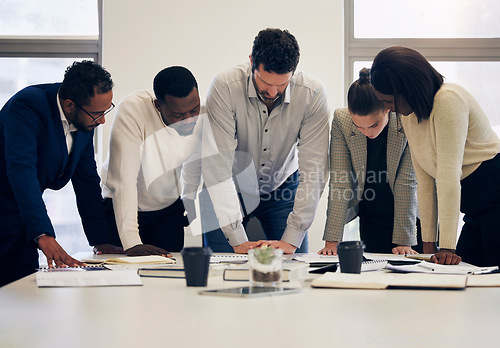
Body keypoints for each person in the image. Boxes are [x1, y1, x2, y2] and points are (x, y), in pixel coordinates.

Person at [203, 28, 330, 254]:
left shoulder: (312, 94)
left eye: (282, 84)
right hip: (230, 183)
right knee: (219, 265)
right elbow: (218, 166)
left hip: (283, 185)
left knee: (295, 266)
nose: (272, 92)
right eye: (264, 81)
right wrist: (236, 238)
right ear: (252, 62)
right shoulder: (225, 88)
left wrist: (293, 236)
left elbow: (315, 168)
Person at [371, 46, 500, 266]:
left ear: (406, 89)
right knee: (462, 271)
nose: (388, 109)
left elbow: (448, 176)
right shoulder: (410, 115)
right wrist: (428, 246)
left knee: (488, 279)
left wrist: (447, 247)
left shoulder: (448, 100)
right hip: (473, 205)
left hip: (493, 193)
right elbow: (425, 180)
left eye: (388, 101)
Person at [101, 66, 242, 256]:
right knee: (125, 272)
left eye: (193, 110)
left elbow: (201, 163)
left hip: (167, 209)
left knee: (169, 271)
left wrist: (189, 199)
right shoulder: (133, 110)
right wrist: (131, 241)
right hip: (120, 206)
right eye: (178, 115)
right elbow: (124, 180)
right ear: (158, 106)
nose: (189, 119)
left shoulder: (205, 112)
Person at [0, 60, 116, 287]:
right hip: (10, 210)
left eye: (105, 111)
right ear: (70, 105)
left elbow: (87, 181)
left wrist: (101, 241)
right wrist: (44, 234)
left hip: (23, 224)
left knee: (25, 297)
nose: (102, 120)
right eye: (97, 114)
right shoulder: (27, 107)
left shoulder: (84, 121)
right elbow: (22, 171)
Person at [319, 68, 421, 256]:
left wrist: (404, 242)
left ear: (387, 110)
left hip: (411, 218)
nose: (368, 132)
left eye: (373, 125)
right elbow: (340, 182)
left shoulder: (405, 119)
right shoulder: (342, 120)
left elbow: (407, 183)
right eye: (360, 126)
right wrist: (332, 242)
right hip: (371, 216)